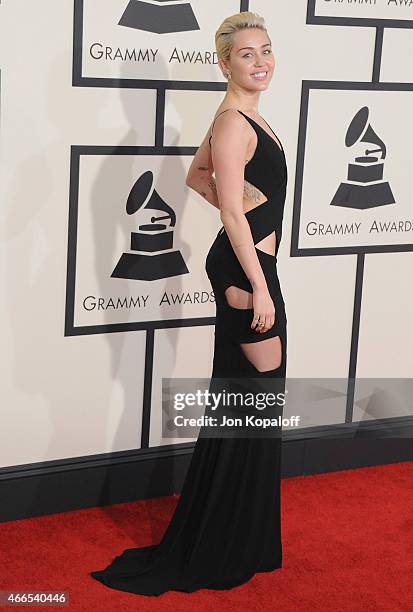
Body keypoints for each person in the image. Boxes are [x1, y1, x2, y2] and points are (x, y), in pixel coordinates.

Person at [90, 10, 288, 596]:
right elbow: (228, 210)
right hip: (246, 271)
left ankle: (235, 534)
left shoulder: (246, 119)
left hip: (252, 265)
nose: (261, 63)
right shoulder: (232, 124)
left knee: (248, 399)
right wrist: (260, 284)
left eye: (266, 50)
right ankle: (225, 540)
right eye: (247, 54)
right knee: (256, 400)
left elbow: (199, 178)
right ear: (223, 62)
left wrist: (253, 234)